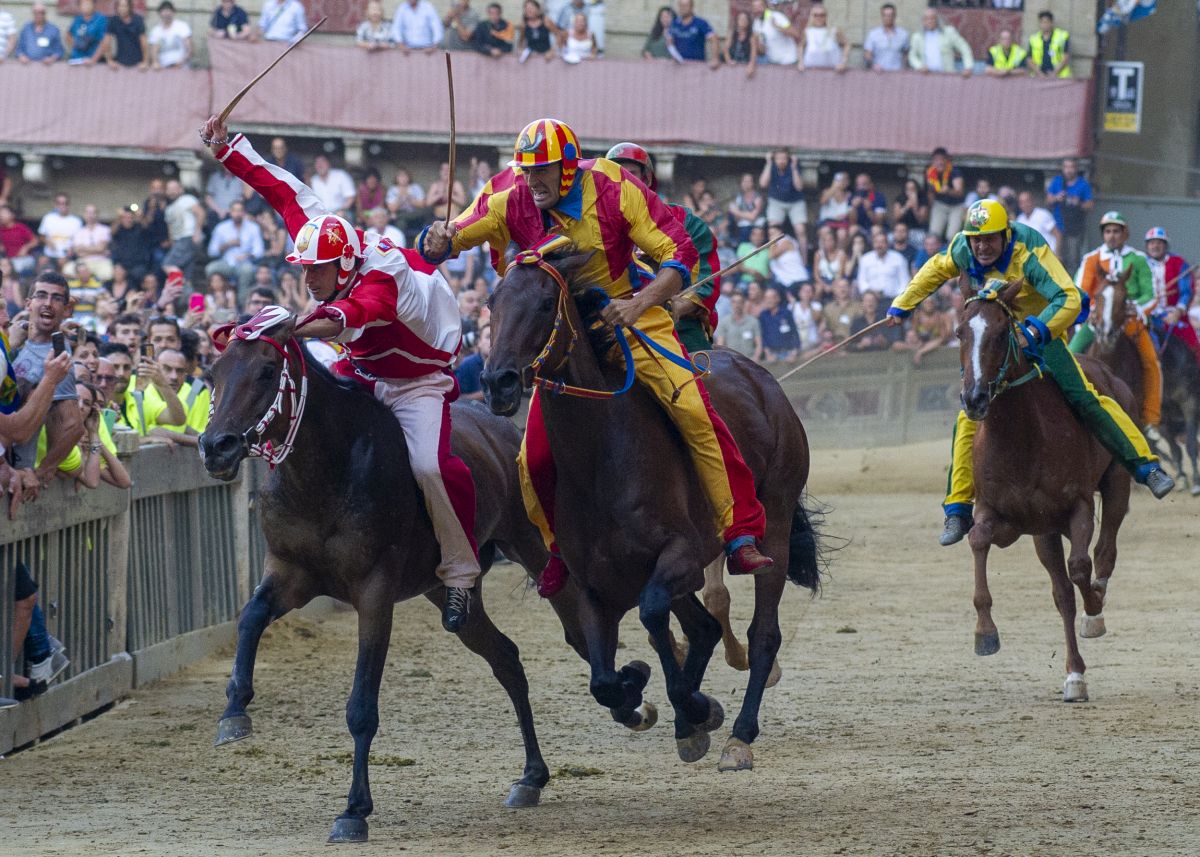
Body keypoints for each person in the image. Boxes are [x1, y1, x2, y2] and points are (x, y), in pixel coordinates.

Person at [418, 117, 774, 598]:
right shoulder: (510, 196)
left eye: (542, 170)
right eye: (526, 170)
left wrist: (640, 303)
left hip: (630, 313)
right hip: (562, 331)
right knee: (531, 458)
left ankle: (740, 531)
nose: (532, 180)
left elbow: (678, 253)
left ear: (568, 167)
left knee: (693, 409)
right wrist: (435, 241)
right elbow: (454, 234)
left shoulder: (614, 187)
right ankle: (558, 550)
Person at [201, 112, 480, 633]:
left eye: (317, 271)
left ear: (346, 266)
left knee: (430, 467)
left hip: (418, 378)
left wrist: (294, 326)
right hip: (365, 363)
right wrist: (226, 149)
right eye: (304, 269)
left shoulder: (383, 279)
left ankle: (460, 571)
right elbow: (280, 189)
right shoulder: (325, 236)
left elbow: (347, 316)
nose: (308, 278)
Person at [885, 200, 1173, 547]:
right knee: (969, 413)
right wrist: (902, 304)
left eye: (990, 239)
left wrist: (1034, 332)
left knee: (1084, 396)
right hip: (995, 335)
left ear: (1005, 235)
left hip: (1042, 328)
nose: (982, 247)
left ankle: (1145, 466)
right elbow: (934, 269)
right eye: (976, 240)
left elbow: (1069, 298)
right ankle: (957, 509)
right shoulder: (962, 247)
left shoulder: (1030, 250)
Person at [606, 141, 720, 354]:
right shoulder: (599, 228)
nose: (622, 182)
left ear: (647, 179)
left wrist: (679, 305)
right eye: (614, 176)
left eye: (630, 175)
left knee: (696, 369)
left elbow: (706, 279)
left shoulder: (686, 222)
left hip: (677, 326)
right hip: (614, 325)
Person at [1070, 211, 1163, 438]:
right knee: (1069, 355)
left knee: (1151, 362)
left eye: (1116, 231)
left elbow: (1151, 294)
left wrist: (1136, 307)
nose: (1112, 235)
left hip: (1130, 319)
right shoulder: (1091, 258)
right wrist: (1094, 310)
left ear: (1125, 233)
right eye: (1108, 231)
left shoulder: (1138, 259)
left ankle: (1150, 419)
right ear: (1103, 234)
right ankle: (1067, 409)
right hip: (1097, 320)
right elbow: (1080, 291)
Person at [1143, 227, 1200, 365]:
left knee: (1194, 347)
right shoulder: (1140, 264)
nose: (1155, 246)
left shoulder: (1178, 263)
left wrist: (1178, 311)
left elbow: (1186, 291)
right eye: (1152, 243)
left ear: (1165, 245)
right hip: (1147, 316)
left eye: (1159, 243)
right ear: (1147, 246)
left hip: (1173, 315)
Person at [1045, 158, 1093, 275]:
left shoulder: (1083, 184)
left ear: (1076, 168)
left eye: (1071, 167)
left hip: (1074, 229)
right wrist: (1057, 197)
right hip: (1057, 228)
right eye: (1066, 167)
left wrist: (1078, 203)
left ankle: (1072, 283)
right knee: (1056, 259)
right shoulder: (1057, 181)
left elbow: (1090, 205)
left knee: (1073, 260)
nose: (1069, 170)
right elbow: (1048, 200)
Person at [759, 149, 807, 254]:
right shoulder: (771, 166)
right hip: (776, 201)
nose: (781, 161)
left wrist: (794, 167)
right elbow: (762, 184)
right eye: (779, 158)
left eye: (784, 158)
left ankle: (804, 260)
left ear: (788, 159)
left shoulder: (794, 166)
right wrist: (768, 163)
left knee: (800, 230)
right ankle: (773, 258)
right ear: (775, 159)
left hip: (795, 202)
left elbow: (799, 187)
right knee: (773, 229)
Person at [908, 8, 971, 77]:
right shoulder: (917, 37)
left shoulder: (948, 32)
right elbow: (912, 56)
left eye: (932, 18)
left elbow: (964, 48)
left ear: (937, 20)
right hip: (926, 76)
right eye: (926, 19)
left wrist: (967, 67)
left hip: (947, 75)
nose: (929, 21)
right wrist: (919, 66)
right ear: (923, 21)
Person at [925, 147, 965, 242]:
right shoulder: (930, 173)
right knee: (933, 234)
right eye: (936, 160)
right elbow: (930, 192)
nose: (939, 162)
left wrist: (948, 191)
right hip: (940, 204)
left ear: (947, 160)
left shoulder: (954, 171)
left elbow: (960, 192)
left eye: (942, 159)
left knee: (952, 236)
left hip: (956, 206)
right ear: (933, 161)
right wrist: (930, 209)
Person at [857, 231, 908, 300]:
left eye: (882, 242)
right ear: (873, 244)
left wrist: (898, 297)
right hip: (871, 299)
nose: (879, 245)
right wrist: (870, 292)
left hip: (893, 299)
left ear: (887, 244)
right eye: (876, 242)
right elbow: (861, 281)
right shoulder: (865, 259)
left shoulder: (898, 258)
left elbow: (904, 281)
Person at [797, 3, 846, 73]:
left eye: (822, 15)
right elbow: (801, 46)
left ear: (826, 16)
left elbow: (847, 44)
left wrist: (843, 62)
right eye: (815, 15)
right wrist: (800, 62)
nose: (818, 18)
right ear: (811, 16)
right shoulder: (807, 31)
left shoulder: (834, 30)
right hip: (810, 69)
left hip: (833, 70)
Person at [666, 0, 716, 68]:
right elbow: (669, 41)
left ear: (692, 7)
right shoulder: (674, 23)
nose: (683, 8)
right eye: (681, 6)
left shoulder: (700, 23)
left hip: (697, 65)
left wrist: (715, 58)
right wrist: (674, 55)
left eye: (686, 5)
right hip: (679, 65)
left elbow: (714, 39)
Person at [715, 292, 761, 361]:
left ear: (743, 304)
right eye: (734, 302)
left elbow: (759, 344)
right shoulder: (724, 322)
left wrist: (756, 358)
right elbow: (720, 345)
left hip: (749, 361)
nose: (737, 305)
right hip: (731, 362)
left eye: (739, 302)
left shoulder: (753, 321)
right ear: (731, 304)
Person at [758, 286, 798, 363]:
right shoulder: (763, 315)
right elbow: (763, 336)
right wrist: (768, 354)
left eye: (771, 298)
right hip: (772, 355)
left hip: (788, 353)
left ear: (778, 299)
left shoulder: (786, 313)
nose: (768, 300)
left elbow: (794, 333)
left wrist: (793, 353)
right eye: (766, 298)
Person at [863, 2, 907, 72]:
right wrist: (873, 65)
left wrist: (904, 69)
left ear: (895, 16)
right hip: (878, 73)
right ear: (882, 16)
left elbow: (906, 54)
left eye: (891, 15)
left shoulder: (903, 34)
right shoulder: (873, 34)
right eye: (885, 15)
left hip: (897, 73)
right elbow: (867, 54)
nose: (888, 18)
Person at [102, 0, 147, 68]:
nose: (122, 8)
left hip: (138, 62)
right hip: (120, 62)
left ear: (130, 7)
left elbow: (144, 42)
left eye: (124, 6)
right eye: (120, 6)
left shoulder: (138, 20)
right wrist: (109, 60)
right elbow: (106, 42)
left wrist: (145, 61)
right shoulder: (114, 20)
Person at [750, 0, 796, 66]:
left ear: (765, 7)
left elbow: (795, 34)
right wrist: (757, 44)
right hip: (773, 63)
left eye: (760, 6)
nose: (757, 10)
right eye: (755, 7)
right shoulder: (756, 24)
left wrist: (778, 27)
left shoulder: (777, 16)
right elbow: (763, 50)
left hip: (788, 61)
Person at [148, 1, 191, 68]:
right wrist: (155, 63)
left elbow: (190, 50)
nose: (167, 13)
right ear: (160, 13)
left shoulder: (182, 26)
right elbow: (153, 52)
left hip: (182, 67)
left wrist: (180, 63)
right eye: (164, 11)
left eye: (169, 10)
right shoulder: (155, 31)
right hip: (163, 69)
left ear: (173, 12)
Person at [1014, 190, 1060, 255]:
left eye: (1027, 201)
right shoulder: (1019, 219)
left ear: (1032, 201)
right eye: (1022, 202)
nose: (1025, 205)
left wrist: (1057, 253)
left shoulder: (1043, 214)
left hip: (1048, 255)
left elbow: (1057, 234)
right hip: (1031, 257)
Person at [1029, 10, 1070, 78]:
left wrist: (1054, 73)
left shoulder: (1062, 36)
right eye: (1042, 22)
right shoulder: (1033, 38)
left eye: (1046, 22)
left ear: (1051, 23)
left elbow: (1066, 57)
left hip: (1059, 76)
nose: (1044, 25)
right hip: (1039, 76)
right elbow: (1030, 59)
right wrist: (1040, 74)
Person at [66, 0, 107, 65]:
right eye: (83, 4)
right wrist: (75, 45)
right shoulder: (77, 19)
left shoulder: (100, 19)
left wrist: (93, 60)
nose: (86, 6)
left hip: (93, 61)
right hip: (77, 60)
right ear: (79, 6)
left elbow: (104, 41)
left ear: (94, 5)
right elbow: (68, 35)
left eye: (88, 4)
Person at [722, 9, 755, 75]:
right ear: (737, 21)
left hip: (745, 63)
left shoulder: (751, 35)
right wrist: (729, 61)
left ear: (748, 22)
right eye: (741, 19)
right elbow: (725, 49)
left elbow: (753, 52)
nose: (743, 21)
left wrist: (751, 65)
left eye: (745, 19)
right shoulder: (732, 33)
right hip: (733, 63)